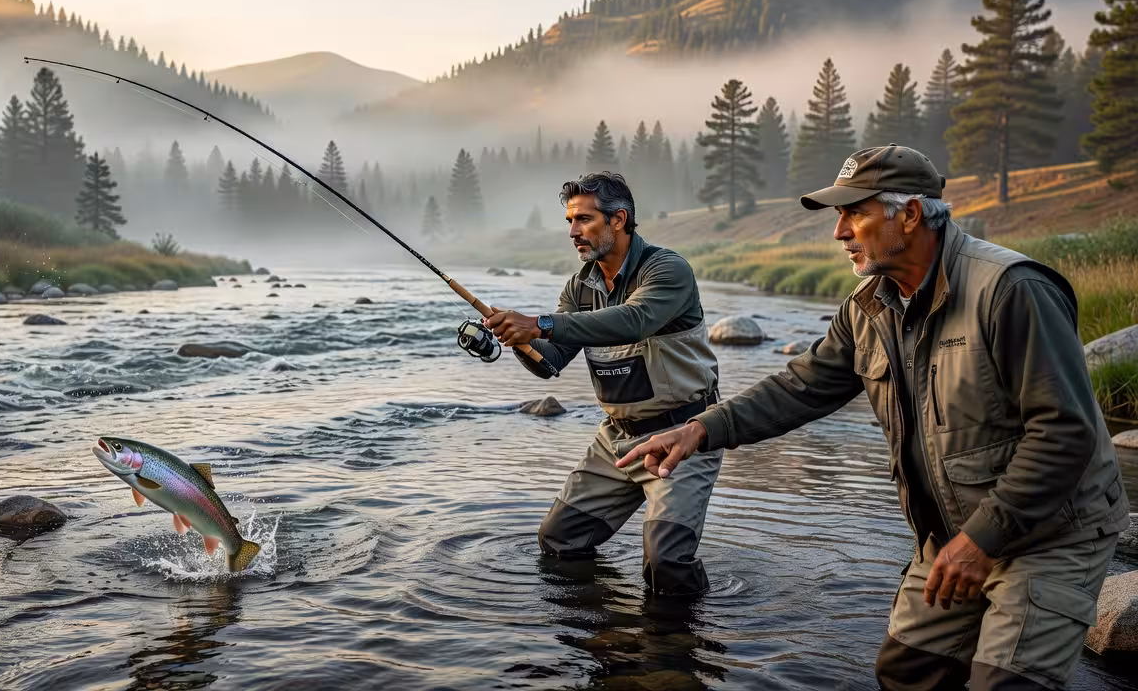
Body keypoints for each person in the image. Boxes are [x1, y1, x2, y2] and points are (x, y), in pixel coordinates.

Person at [616, 143, 1129, 689]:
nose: (839, 232)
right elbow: (801, 386)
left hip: (1050, 532)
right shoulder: (869, 306)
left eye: (854, 212)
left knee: (1006, 683)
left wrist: (983, 539)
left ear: (909, 216)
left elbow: (1064, 432)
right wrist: (701, 428)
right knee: (908, 670)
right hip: (953, 533)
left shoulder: (1012, 291)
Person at [483, 171, 724, 596]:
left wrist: (538, 324)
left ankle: (680, 648)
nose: (574, 232)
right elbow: (549, 364)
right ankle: (599, 634)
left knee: (665, 563)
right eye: (570, 222)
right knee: (558, 541)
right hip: (617, 440)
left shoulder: (668, 270)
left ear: (619, 219)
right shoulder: (580, 286)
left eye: (585, 220)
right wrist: (518, 340)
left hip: (682, 435)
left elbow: (635, 320)